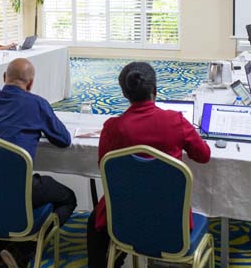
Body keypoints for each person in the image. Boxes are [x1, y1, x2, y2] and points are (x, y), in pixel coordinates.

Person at [87, 62, 211, 268]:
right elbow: (203, 155)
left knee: (95, 219)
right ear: (155, 90)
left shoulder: (112, 128)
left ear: (124, 93)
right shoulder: (175, 121)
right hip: (172, 223)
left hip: (125, 221)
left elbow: (105, 167)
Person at [0, 58, 76, 268]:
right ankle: (20, 251)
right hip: (19, 189)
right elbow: (63, 139)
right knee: (68, 198)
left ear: (4, 78)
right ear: (30, 83)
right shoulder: (36, 104)